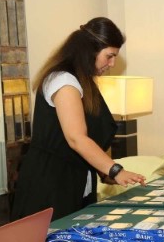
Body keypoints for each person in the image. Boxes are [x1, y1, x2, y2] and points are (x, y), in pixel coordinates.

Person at [11, 17, 146, 221]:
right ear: (90, 50)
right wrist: (115, 171)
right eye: (109, 56)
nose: (112, 64)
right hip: (50, 185)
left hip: (74, 182)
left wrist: (104, 172)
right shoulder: (63, 81)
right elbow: (77, 138)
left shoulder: (82, 82)